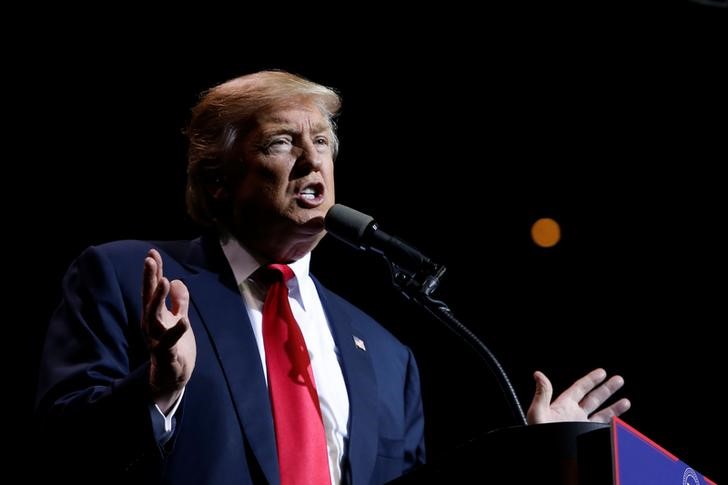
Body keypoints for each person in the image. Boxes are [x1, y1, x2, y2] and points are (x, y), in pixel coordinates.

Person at [35, 70, 630, 485]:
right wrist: (160, 386)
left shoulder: (389, 356)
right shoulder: (129, 277)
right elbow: (65, 455)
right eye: (281, 142)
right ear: (217, 179)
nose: (312, 159)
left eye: (322, 142)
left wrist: (521, 458)